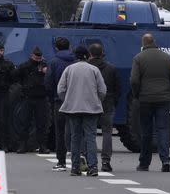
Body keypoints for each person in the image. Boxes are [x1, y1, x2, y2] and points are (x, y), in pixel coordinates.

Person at [130, 33, 170, 172]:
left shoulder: (138, 58)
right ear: (154, 42)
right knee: (163, 130)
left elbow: (134, 80)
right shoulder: (167, 58)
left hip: (145, 100)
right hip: (163, 100)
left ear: (143, 43)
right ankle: (165, 161)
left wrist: (137, 95)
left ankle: (144, 163)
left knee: (146, 132)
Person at [58, 46, 106, 177]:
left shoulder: (69, 69)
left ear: (75, 56)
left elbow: (60, 89)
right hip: (91, 109)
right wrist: (97, 100)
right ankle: (93, 167)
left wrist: (68, 99)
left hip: (73, 108)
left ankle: (75, 167)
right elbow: (102, 90)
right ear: (87, 56)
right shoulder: (94, 69)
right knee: (90, 137)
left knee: (75, 137)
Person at [88, 43, 121, 172]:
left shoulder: (86, 68)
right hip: (108, 102)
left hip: (89, 102)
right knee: (107, 132)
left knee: (89, 132)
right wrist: (113, 101)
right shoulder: (111, 68)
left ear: (90, 54)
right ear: (102, 53)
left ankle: (90, 160)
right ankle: (106, 161)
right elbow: (118, 88)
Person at [45, 37, 76, 171]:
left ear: (56, 48)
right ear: (69, 47)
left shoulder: (53, 62)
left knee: (60, 131)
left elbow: (48, 83)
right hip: (76, 101)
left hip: (59, 101)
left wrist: (53, 97)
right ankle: (77, 161)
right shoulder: (76, 61)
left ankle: (61, 162)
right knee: (76, 131)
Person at [14, 46, 49, 153]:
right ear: (32, 56)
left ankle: (42, 146)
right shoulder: (25, 66)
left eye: (39, 57)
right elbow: (16, 76)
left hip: (41, 98)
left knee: (41, 124)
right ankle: (22, 145)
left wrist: (44, 71)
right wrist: (23, 87)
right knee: (24, 123)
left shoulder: (45, 66)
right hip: (28, 97)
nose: (38, 59)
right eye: (36, 57)